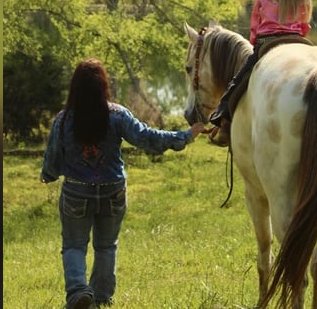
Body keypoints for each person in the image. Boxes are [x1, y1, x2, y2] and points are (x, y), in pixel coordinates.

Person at [41, 58, 205, 309]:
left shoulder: (63, 120)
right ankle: (102, 297)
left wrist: (48, 174)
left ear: (75, 87)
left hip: (76, 190)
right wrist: (185, 136)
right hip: (113, 190)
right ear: (103, 86)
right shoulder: (117, 114)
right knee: (106, 245)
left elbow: (54, 154)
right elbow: (147, 138)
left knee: (74, 245)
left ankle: (78, 293)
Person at [208, 0, 317, 146]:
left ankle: (223, 121)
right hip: (298, 42)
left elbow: (255, 28)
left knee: (237, 82)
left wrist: (254, 44)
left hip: (267, 43)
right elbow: (305, 25)